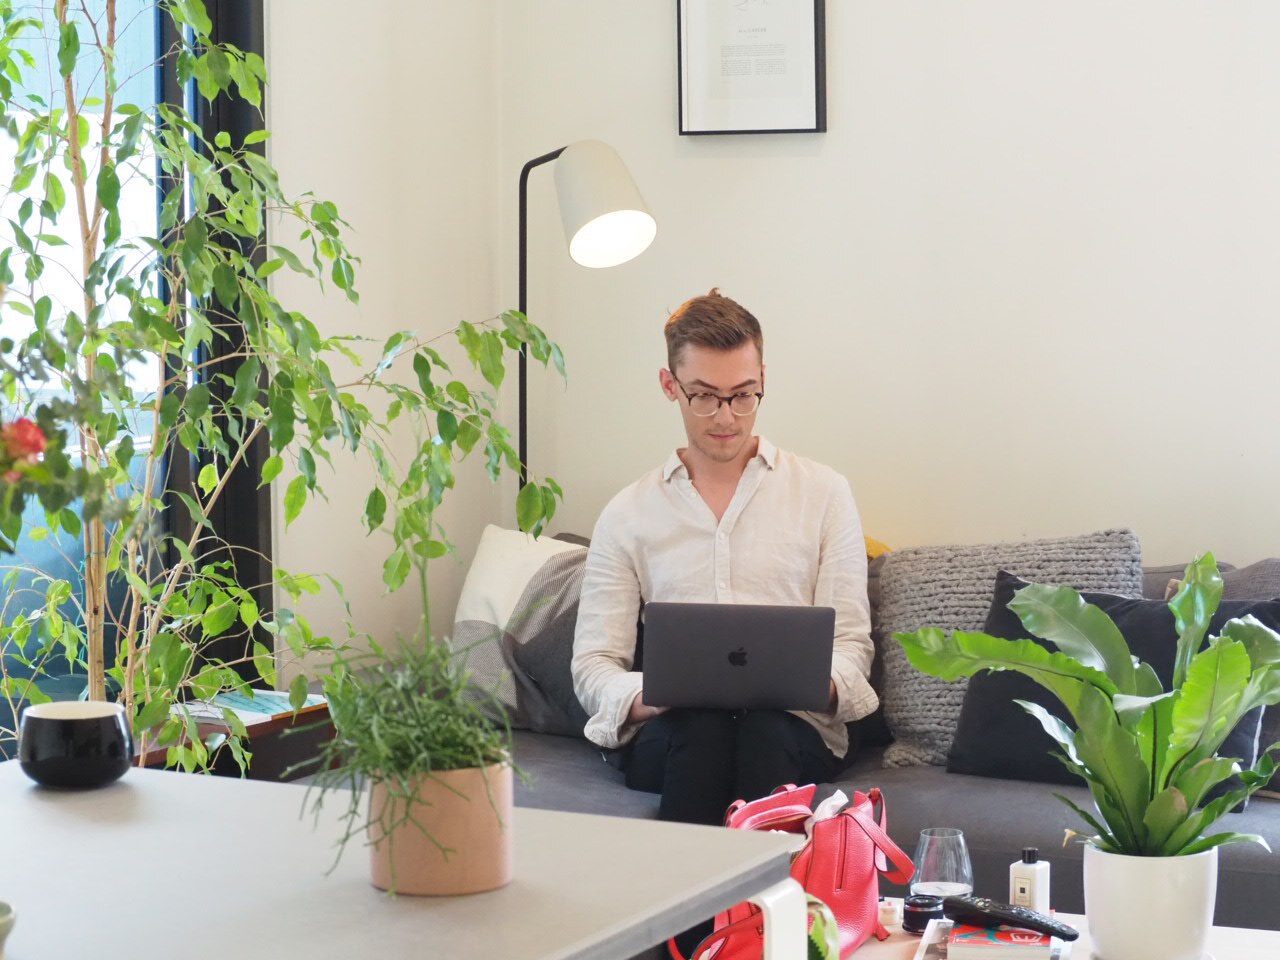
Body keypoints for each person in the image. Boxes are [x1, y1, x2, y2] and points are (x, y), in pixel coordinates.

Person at [571, 289, 879, 831]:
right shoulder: (628, 513)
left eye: (743, 395)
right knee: (703, 729)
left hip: (792, 729)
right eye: (705, 397)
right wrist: (648, 697)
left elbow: (851, 645)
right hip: (677, 734)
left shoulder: (824, 494)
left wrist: (810, 682)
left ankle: (745, 916)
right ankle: (716, 916)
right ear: (671, 386)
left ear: (763, 379)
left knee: (763, 729)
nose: (726, 417)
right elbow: (594, 663)